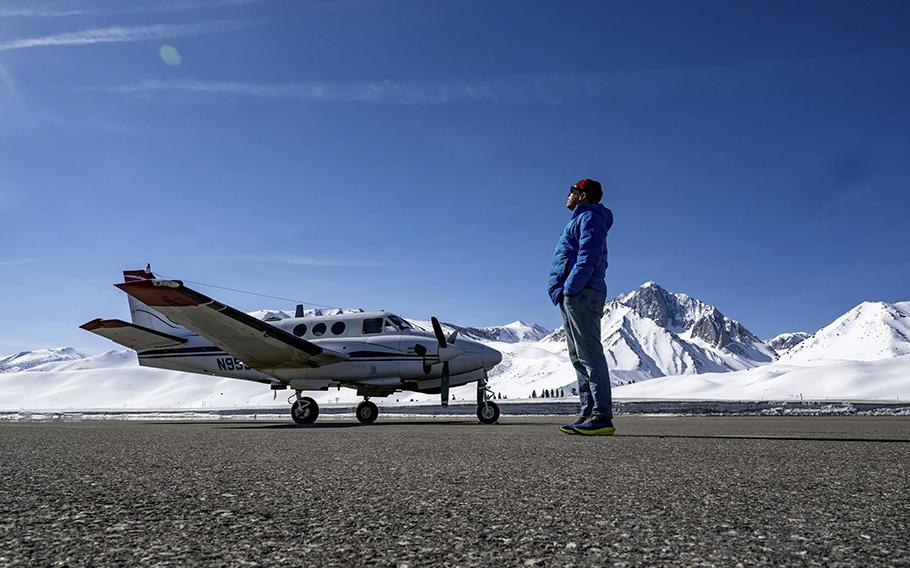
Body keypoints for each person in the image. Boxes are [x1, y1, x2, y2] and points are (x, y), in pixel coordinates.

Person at [547, 178, 615, 435]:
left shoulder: (591, 219)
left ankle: (602, 415)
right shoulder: (578, 220)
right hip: (572, 296)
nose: (567, 195)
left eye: (572, 191)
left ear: (583, 195)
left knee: (589, 354)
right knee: (578, 358)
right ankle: (587, 413)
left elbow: (589, 255)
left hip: (582, 294)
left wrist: (571, 288)